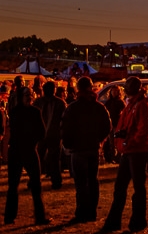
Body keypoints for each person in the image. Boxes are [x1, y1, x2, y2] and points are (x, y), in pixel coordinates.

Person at [101, 77, 148, 233]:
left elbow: (143, 129)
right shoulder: (133, 104)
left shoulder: (140, 105)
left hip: (136, 150)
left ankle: (136, 221)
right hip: (130, 149)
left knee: (135, 187)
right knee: (121, 186)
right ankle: (117, 221)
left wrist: (128, 142)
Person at [61, 76, 112, 224]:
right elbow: (107, 127)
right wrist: (99, 140)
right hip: (92, 148)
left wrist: (68, 144)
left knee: (81, 182)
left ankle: (82, 212)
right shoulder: (98, 107)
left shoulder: (72, 108)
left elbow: (65, 129)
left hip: (78, 150)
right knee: (92, 180)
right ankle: (91, 212)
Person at [4, 86, 48, 225]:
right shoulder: (19, 112)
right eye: (26, 95)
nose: (29, 97)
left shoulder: (32, 112)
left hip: (25, 149)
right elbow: (40, 132)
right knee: (14, 185)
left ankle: (38, 217)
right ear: (21, 97)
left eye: (30, 95)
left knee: (35, 184)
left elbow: (42, 132)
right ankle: (10, 216)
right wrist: (32, 139)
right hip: (21, 150)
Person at [35, 81, 66, 189]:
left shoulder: (40, 102)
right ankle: (55, 181)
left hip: (48, 134)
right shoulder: (59, 102)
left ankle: (37, 180)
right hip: (49, 134)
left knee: (41, 158)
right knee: (53, 158)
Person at [103, 84, 125, 163]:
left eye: (116, 91)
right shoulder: (108, 102)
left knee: (117, 141)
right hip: (111, 124)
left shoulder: (120, 102)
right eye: (113, 91)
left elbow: (124, 112)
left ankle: (118, 156)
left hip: (117, 124)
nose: (115, 93)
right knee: (111, 141)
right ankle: (112, 156)